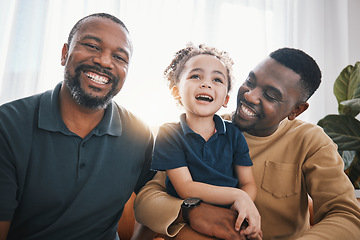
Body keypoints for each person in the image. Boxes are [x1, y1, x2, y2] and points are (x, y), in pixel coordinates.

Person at [133, 47, 360, 240]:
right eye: (250, 81)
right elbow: (147, 199)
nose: (250, 96)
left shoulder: (311, 141)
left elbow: (346, 215)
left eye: (270, 95)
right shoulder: (205, 129)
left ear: (296, 110)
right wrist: (190, 212)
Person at [0, 13, 154, 240]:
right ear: (65, 54)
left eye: (120, 57)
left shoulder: (140, 134)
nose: (104, 61)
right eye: (92, 46)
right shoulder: (8, 125)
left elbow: (156, 202)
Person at [148, 43, 260, 238]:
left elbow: (247, 182)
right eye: (195, 76)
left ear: (225, 99)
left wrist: (242, 206)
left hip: (230, 215)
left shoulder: (234, 134)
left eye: (217, 79)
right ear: (176, 92)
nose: (206, 84)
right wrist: (237, 195)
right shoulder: (169, 134)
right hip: (187, 218)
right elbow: (186, 188)